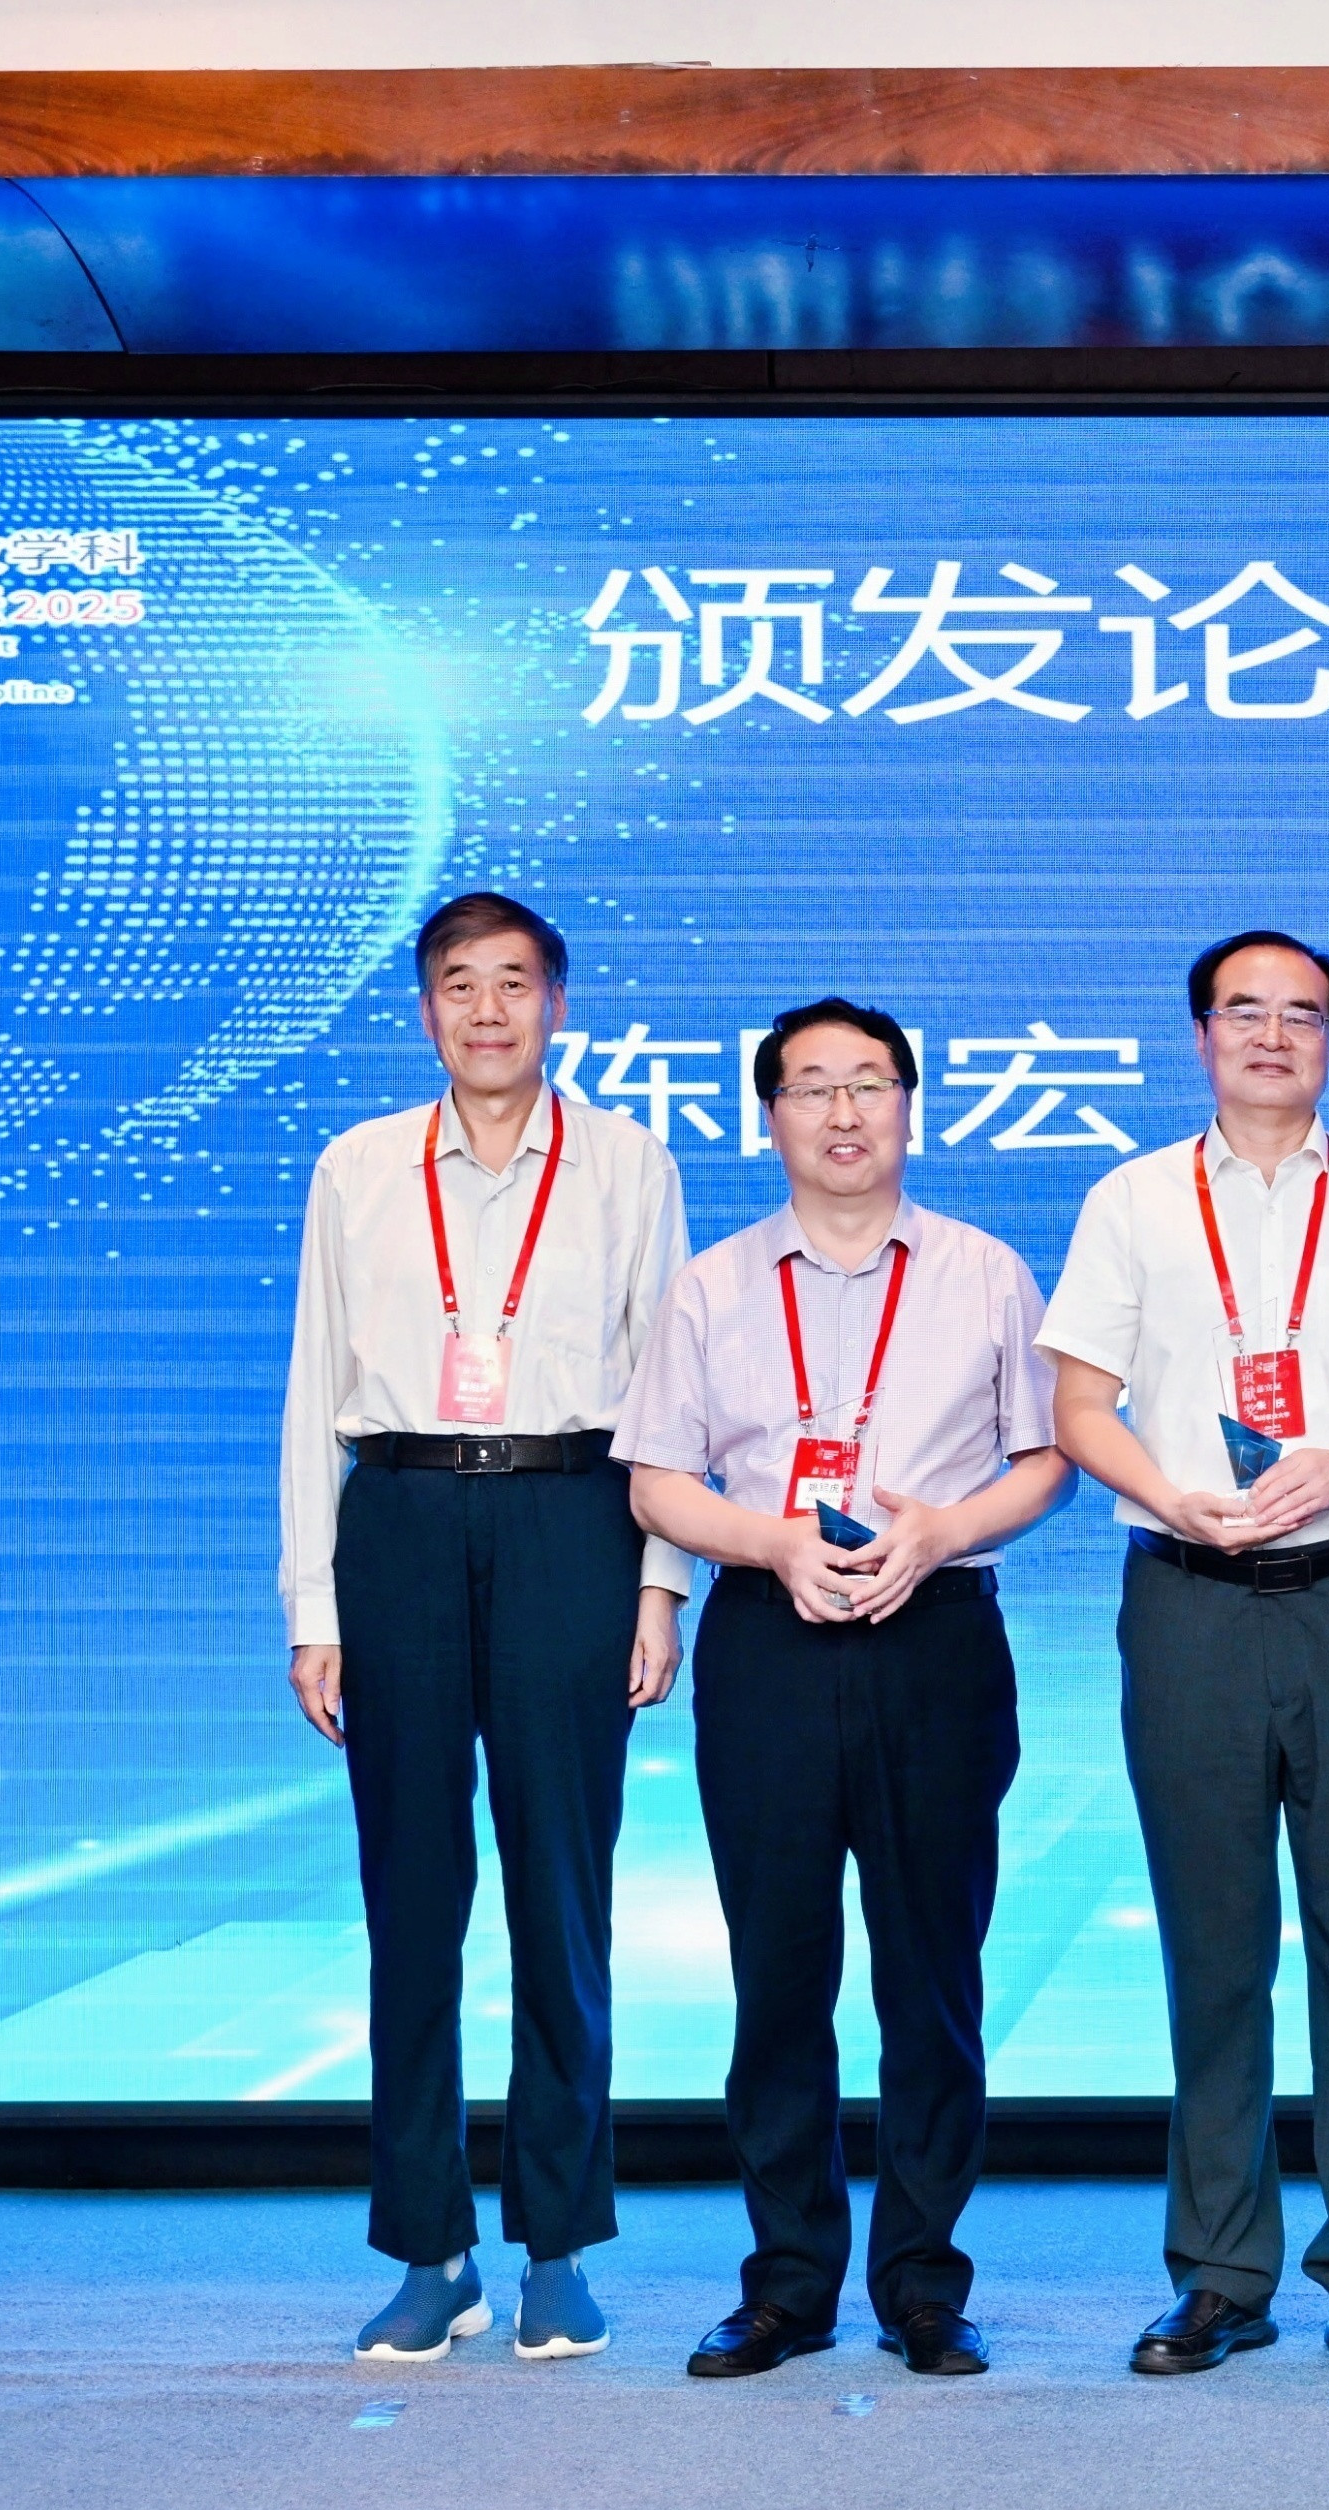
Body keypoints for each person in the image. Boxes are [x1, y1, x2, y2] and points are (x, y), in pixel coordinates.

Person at [1041, 932, 1329, 2382]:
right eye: (1243, 1011)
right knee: (1214, 1941)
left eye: (1302, 1015)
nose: (1271, 1035)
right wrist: (1171, 1493)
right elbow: (1079, 1404)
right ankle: (1221, 2269)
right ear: (1200, 1035)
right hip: (1187, 1595)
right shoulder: (1131, 1200)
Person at [616, 999, 1073, 2382]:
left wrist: (943, 1530)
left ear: (910, 1107)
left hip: (935, 1636)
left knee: (932, 1975)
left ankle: (924, 2283)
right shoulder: (711, 1285)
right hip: (770, 1638)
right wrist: (772, 1544)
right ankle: (787, 2283)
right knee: (778, 1975)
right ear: (771, 1118)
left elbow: (1047, 1459)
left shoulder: (985, 1272)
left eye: (869, 1082)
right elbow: (657, 1481)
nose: (842, 1111)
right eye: (810, 1087)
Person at [279, 892, 692, 2365]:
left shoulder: (629, 1163)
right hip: (396, 1516)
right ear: (425, 1011)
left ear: (557, 1006)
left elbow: (666, 1394)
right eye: (460, 985)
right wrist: (315, 1602)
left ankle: (558, 2243)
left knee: (561, 1893)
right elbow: (310, 1392)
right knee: (411, 1895)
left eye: (516, 983)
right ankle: (430, 2248)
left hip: (570, 1514)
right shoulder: (357, 1166)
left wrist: (660, 1583)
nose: (489, 1010)